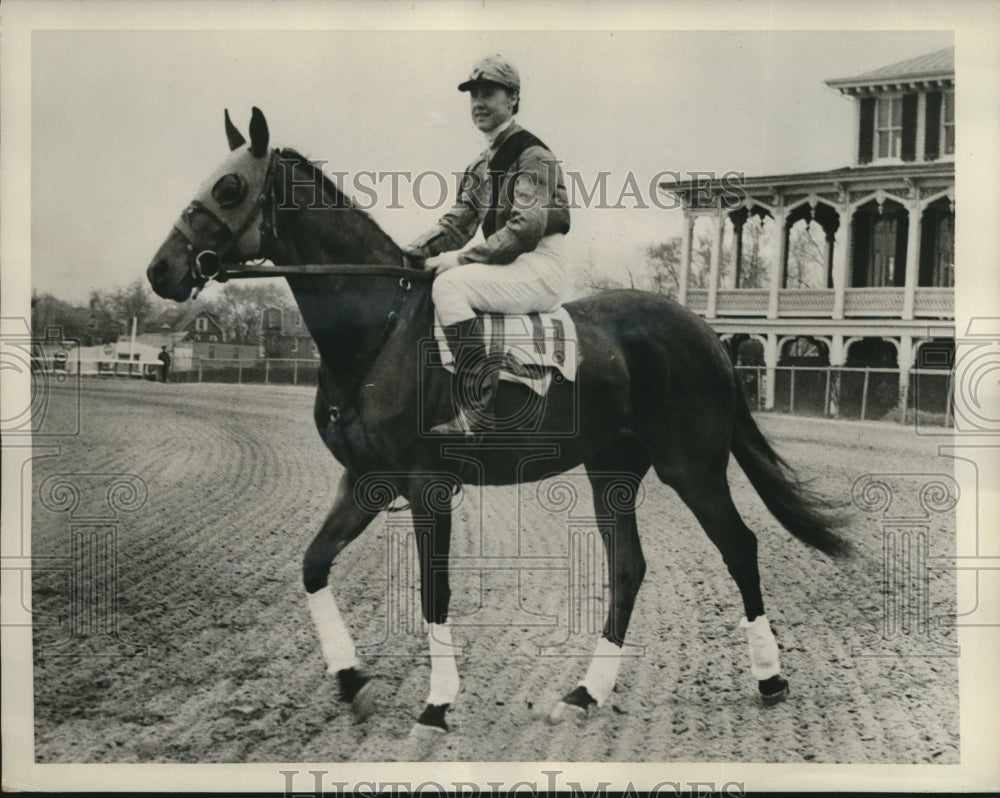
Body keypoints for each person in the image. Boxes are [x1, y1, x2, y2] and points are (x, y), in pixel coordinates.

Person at [404, 55, 571, 436]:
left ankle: (479, 403)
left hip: (540, 266)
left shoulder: (533, 154)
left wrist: (461, 261)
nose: (478, 103)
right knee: (429, 278)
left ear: (512, 98)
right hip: (508, 266)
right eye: (473, 95)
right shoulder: (480, 166)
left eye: (489, 93)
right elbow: (457, 224)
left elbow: (526, 228)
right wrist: (408, 253)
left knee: (449, 284)